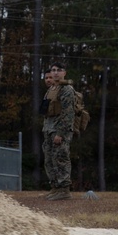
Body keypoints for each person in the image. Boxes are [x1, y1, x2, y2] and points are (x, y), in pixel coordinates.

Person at [40, 62, 76, 200]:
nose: (55, 73)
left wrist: (60, 133)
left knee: (61, 158)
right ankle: (55, 188)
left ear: (64, 73)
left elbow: (68, 114)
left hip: (59, 130)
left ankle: (64, 189)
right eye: (53, 70)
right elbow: (46, 112)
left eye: (59, 70)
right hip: (49, 128)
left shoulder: (66, 89)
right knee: (49, 159)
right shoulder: (51, 89)